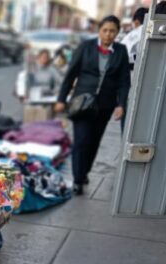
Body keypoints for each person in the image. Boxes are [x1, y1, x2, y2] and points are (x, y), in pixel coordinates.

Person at [55, 15, 131, 195]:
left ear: (117, 32)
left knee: (94, 141)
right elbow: (70, 74)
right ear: (99, 31)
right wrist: (61, 99)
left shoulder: (120, 51)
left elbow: (124, 81)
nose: (108, 34)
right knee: (81, 140)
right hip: (81, 103)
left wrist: (121, 104)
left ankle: (84, 171)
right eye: (105, 30)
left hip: (105, 105)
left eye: (112, 31)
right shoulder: (86, 47)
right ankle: (78, 179)